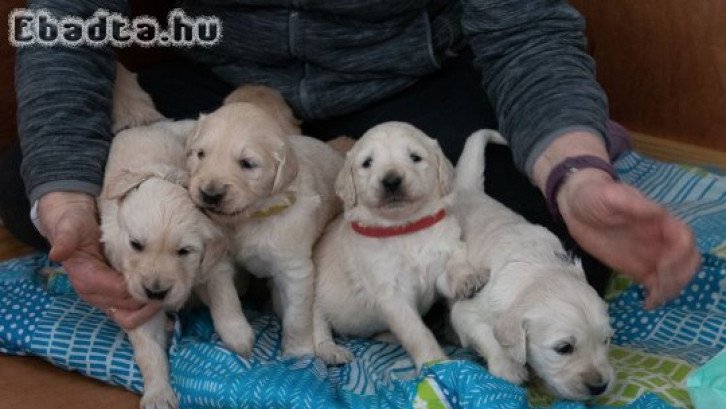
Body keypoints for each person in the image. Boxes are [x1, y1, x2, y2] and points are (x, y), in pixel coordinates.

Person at [0, 0, 699, 330]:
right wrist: (65, 199)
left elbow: (526, 32)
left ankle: (255, 256)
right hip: (236, 96)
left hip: (408, 91)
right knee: (31, 184)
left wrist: (572, 171)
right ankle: (268, 252)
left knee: (563, 237)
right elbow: (66, 22)